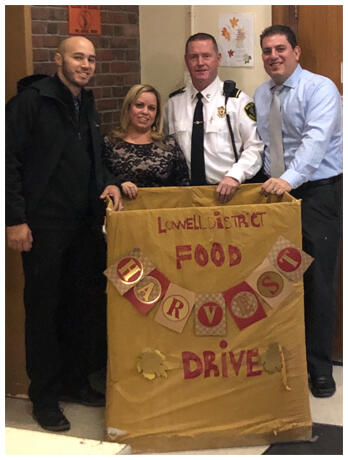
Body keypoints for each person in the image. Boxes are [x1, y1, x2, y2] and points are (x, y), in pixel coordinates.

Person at [6, 36, 123, 432]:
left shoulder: (85, 103)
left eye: (91, 59)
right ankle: (44, 397)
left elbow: (92, 157)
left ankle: (75, 381)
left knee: (82, 308)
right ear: (59, 60)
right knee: (45, 311)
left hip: (83, 225)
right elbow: (8, 163)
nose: (86, 65)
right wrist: (13, 219)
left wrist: (106, 183)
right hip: (42, 226)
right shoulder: (30, 103)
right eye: (78, 57)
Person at [254, 25, 342, 397]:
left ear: (297, 52)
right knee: (273, 279)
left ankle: (319, 368)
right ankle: (281, 358)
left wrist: (288, 180)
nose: (273, 56)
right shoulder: (261, 93)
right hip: (275, 193)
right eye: (267, 51)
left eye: (280, 49)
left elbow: (315, 142)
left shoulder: (320, 89)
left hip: (317, 193)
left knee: (317, 283)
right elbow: (261, 144)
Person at [164, 32, 264, 203]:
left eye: (206, 56)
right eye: (194, 57)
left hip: (228, 194)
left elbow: (255, 148)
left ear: (218, 58)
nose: (200, 63)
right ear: (186, 60)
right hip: (185, 197)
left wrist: (235, 176)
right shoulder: (173, 104)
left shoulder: (237, 101)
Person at [103, 84, 190, 198]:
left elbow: (184, 186)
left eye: (151, 108)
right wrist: (118, 185)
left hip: (163, 212)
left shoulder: (169, 144)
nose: (145, 112)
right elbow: (101, 179)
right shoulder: (111, 143)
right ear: (128, 108)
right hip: (123, 212)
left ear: (156, 114)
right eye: (139, 105)